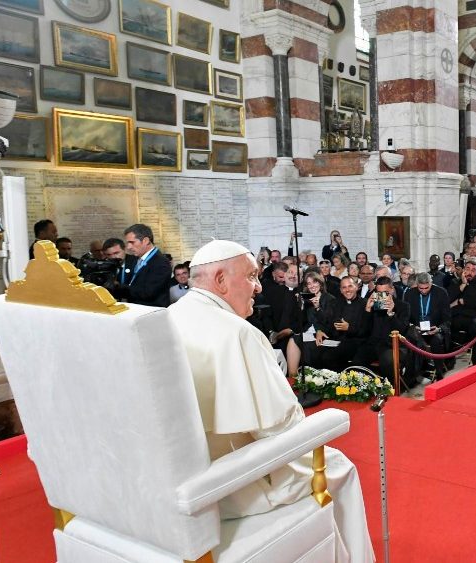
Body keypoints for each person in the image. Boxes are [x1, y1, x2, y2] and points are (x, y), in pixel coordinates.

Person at [167, 239, 371, 561]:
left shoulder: (169, 317)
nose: (259, 288)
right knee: (340, 468)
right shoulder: (239, 333)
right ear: (220, 280)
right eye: (251, 276)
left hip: (182, 479)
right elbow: (284, 429)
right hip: (235, 486)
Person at [112, 224, 172, 307]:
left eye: (132, 242)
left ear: (146, 241)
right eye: (128, 243)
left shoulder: (161, 262)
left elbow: (147, 293)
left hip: (152, 313)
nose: (128, 247)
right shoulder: (136, 259)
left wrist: (117, 286)